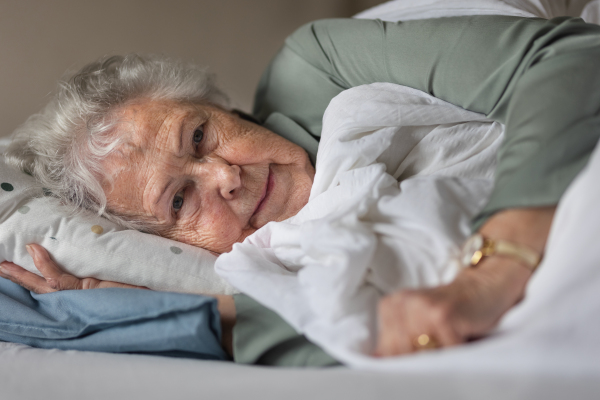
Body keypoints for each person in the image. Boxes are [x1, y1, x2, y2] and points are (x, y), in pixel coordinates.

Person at [1, 14, 600, 365]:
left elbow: (572, 56)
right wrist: (138, 309)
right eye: (180, 201)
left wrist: (497, 264)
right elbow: (338, 334)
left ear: (219, 104)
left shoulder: (313, 69)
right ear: (164, 244)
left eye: (201, 135)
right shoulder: (257, 273)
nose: (226, 178)